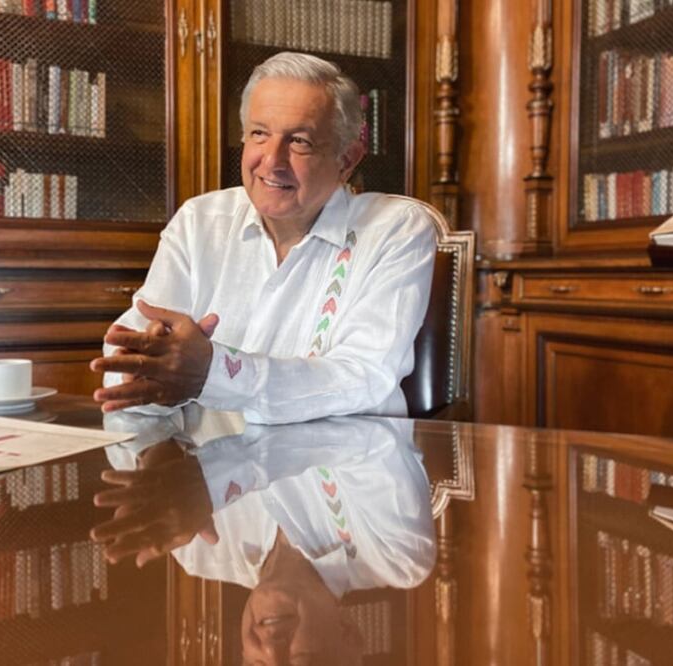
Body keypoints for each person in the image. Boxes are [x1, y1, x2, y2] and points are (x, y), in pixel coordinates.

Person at [91, 52, 437, 424]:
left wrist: (215, 371)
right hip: (207, 469)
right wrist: (151, 366)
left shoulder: (396, 228)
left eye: (299, 141)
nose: (272, 161)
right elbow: (125, 353)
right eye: (259, 134)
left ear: (347, 159)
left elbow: (365, 377)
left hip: (346, 465)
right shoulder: (200, 221)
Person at [92, 406, 436, 665]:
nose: (272, 647)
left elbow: (123, 398)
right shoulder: (396, 555)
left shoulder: (199, 553)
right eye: (300, 662)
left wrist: (154, 450)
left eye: (257, 665)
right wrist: (213, 474)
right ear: (349, 636)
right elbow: (374, 438)